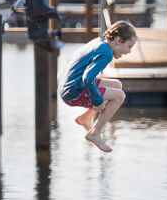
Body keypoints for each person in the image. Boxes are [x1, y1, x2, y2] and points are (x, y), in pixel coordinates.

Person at [59, 20, 138, 152]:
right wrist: (98, 101)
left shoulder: (99, 43)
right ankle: (95, 133)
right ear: (118, 40)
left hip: (70, 86)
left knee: (117, 85)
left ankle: (86, 117)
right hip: (73, 92)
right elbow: (88, 79)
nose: (129, 52)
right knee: (119, 96)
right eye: (129, 46)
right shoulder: (106, 54)